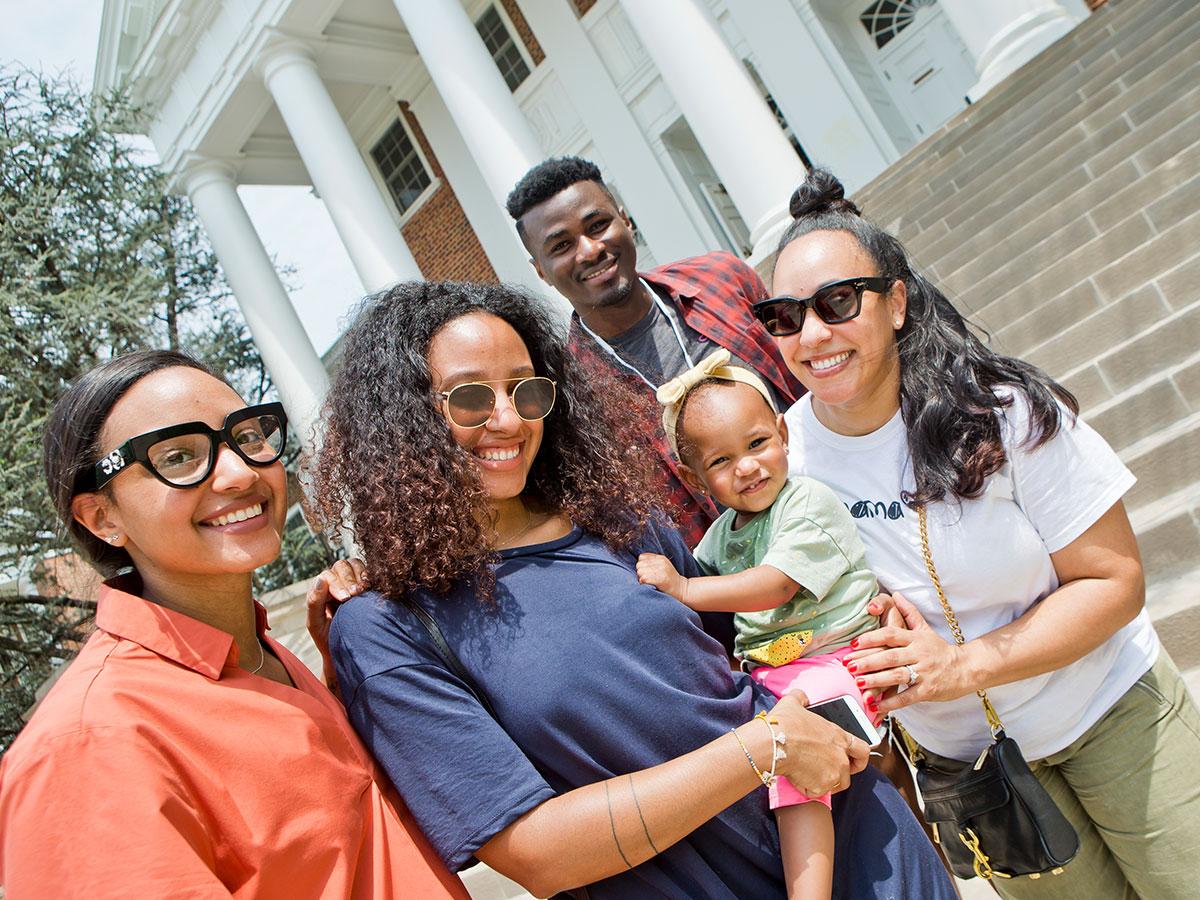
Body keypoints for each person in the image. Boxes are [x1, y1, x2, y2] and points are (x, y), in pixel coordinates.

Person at [306, 279, 956, 899]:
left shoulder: (622, 524)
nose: (507, 420)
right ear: (405, 418)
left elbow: (761, 648)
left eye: (526, 392)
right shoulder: (387, 627)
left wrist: (874, 644)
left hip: (864, 853)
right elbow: (535, 855)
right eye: (471, 399)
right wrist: (763, 748)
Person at [759, 168, 1200, 898]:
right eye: (784, 315)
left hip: (1108, 714)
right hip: (971, 770)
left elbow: (1114, 581)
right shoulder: (783, 458)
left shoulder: (1001, 411)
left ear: (896, 302)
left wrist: (959, 666)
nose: (812, 336)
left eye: (838, 303)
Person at [0, 350, 467, 900]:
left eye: (246, 437)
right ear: (103, 518)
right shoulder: (88, 745)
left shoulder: (266, 654)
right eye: (176, 456)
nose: (241, 472)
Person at [635, 349, 882, 900]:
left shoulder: (807, 503)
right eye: (721, 462)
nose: (746, 466)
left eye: (756, 444)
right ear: (693, 477)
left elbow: (775, 584)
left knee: (793, 765)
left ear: (782, 433)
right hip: (777, 673)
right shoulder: (721, 537)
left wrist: (684, 587)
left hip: (843, 660)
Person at [506, 156, 805, 547]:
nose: (589, 250)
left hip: (841, 510)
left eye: (598, 226)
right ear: (541, 271)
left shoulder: (722, 279)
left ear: (625, 219)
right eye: (561, 246)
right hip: (740, 590)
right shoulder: (572, 404)